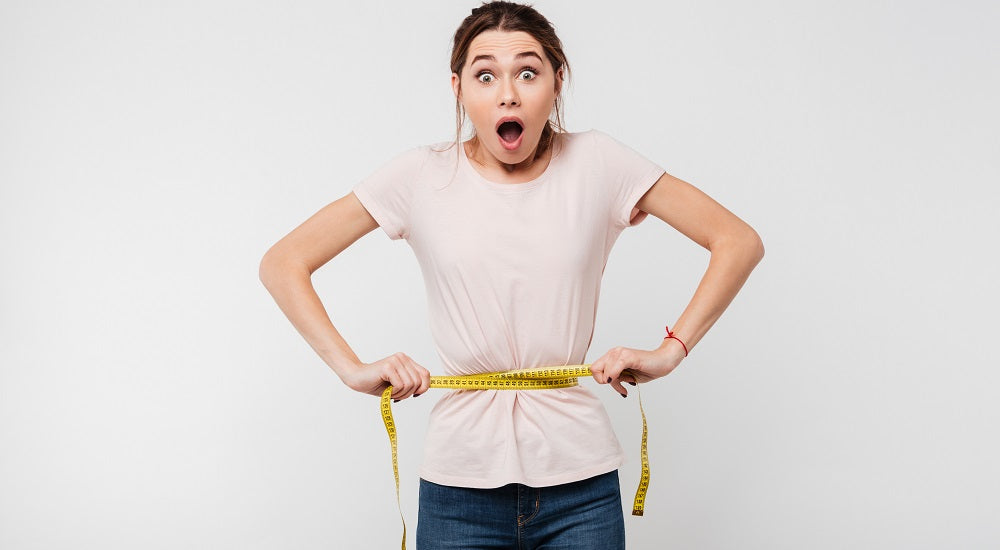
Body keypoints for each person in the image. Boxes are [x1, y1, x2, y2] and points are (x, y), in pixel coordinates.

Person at [259, 1, 764, 548]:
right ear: (458, 88)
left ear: (557, 81)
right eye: (485, 75)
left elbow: (737, 242)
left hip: (582, 487)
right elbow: (284, 262)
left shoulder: (599, 163)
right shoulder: (419, 176)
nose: (508, 94)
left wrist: (670, 351)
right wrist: (350, 368)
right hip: (458, 487)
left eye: (528, 72)